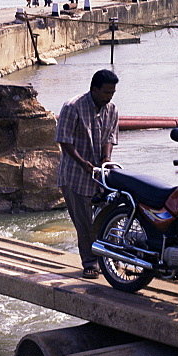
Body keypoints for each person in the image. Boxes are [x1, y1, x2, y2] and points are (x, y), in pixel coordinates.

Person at [55, 69, 119, 279]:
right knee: (85, 224)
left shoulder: (111, 109)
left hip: (99, 175)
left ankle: (112, 259)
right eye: (106, 92)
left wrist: (106, 159)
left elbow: (109, 136)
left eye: (112, 92)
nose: (109, 96)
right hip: (75, 175)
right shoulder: (72, 107)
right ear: (94, 89)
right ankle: (90, 262)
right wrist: (83, 163)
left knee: (109, 218)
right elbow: (64, 140)